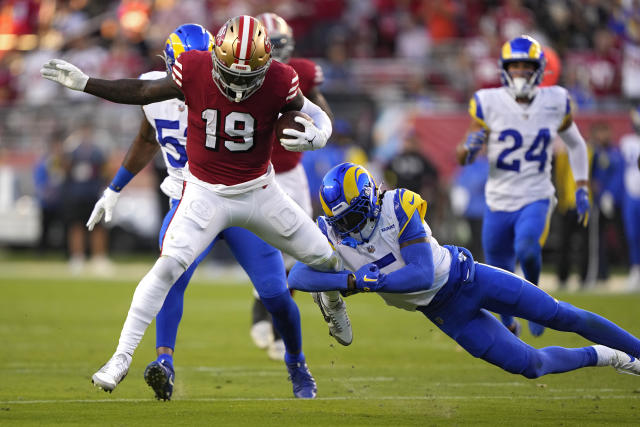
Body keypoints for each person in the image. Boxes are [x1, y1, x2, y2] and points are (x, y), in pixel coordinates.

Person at [40, 15, 351, 400]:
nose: (237, 84)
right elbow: (140, 94)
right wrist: (86, 83)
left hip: (258, 190)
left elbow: (315, 113)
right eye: (229, 73)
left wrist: (319, 134)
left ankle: (319, 325)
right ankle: (121, 357)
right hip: (203, 192)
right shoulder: (193, 69)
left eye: (247, 76)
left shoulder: (280, 77)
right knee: (168, 267)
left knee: (323, 262)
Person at [84, 23, 299, 401]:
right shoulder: (158, 89)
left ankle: (297, 361)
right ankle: (162, 362)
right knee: (169, 276)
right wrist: (114, 188)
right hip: (189, 201)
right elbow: (146, 138)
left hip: (239, 197)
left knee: (275, 292)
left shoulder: (233, 86)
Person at [287, 162, 640, 381]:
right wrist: (349, 280)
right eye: (341, 220)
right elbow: (297, 277)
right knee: (531, 366)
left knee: (559, 314)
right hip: (446, 313)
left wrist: (372, 284)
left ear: (371, 197)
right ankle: (607, 356)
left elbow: (422, 274)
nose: (347, 226)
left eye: (353, 214)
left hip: (468, 277)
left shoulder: (398, 204)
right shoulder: (333, 231)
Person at [455, 35, 590, 337]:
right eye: (514, 66)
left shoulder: (556, 100)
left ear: (539, 69)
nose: (519, 72)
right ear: (504, 69)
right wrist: (470, 146)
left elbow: (576, 144)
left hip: (536, 195)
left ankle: (536, 302)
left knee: (527, 248)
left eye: (526, 66)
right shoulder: (488, 102)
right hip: (498, 200)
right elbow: (462, 156)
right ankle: (509, 325)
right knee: (500, 274)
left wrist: (581, 186)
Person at [249, 12, 340, 360]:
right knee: (261, 247)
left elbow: (322, 113)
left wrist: (317, 129)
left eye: (280, 46)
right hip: (256, 171)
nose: (275, 54)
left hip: (292, 171)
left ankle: (270, 320)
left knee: (299, 245)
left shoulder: (301, 72)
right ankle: (263, 309)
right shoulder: (243, 72)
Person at [620, 106, 640, 291]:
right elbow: (621, 169)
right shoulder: (627, 142)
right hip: (632, 194)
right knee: (633, 235)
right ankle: (635, 270)